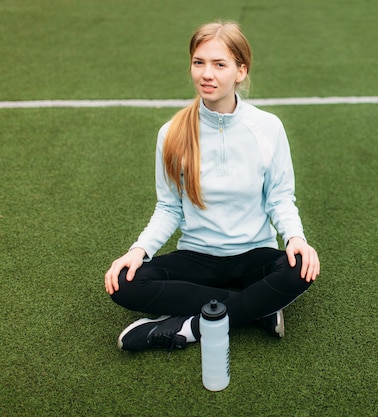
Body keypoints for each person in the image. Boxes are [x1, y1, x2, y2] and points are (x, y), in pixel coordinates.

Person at [104, 20, 319, 352]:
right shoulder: (172, 132)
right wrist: (137, 251)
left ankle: (189, 327)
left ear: (240, 71)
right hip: (197, 259)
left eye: (220, 64)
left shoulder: (268, 128)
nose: (207, 74)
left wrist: (296, 238)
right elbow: (169, 207)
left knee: (300, 271)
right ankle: (256, 308)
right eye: (199, 62)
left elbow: (279, 197)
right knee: (122, 283)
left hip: (254, 259)